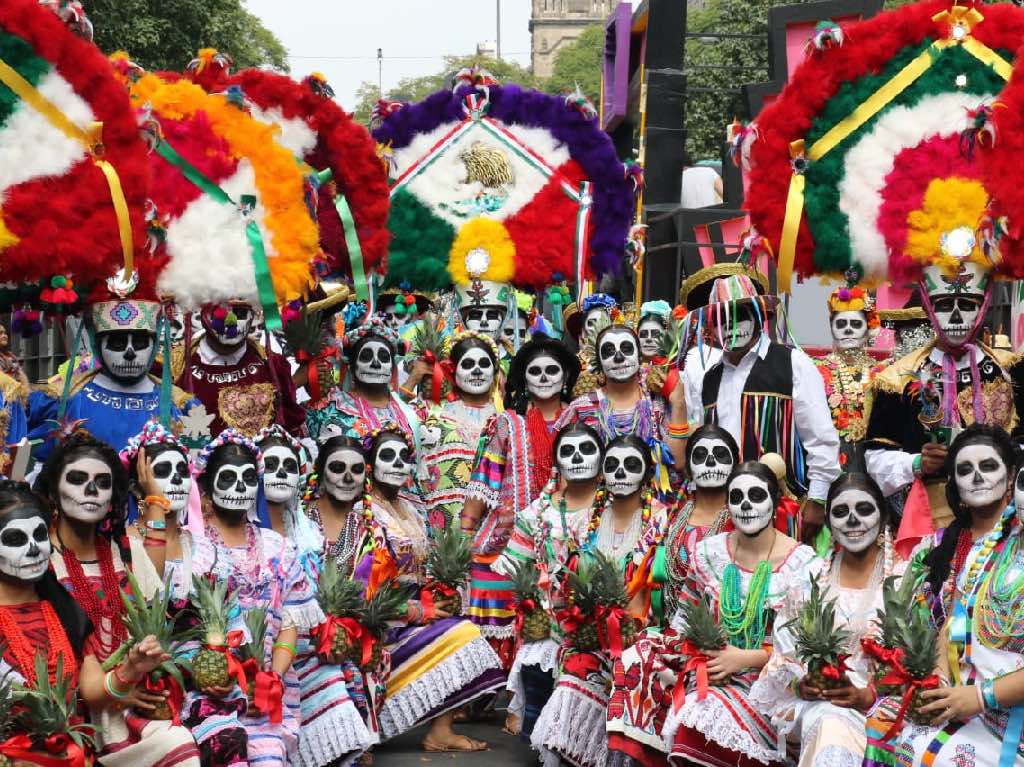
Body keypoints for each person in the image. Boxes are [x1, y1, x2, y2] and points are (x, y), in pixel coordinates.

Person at [0, 479, 200, 767]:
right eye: (16, 539)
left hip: (76, 748)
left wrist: (130, 668)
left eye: (39, 536)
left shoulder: (63, 609)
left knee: (175, 744)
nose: (33, 549)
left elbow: (91, 689)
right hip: (15, 754)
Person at [866, 424, 1024, 767]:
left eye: (988, 466)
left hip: (1007, 714)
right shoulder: (955, 551)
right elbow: (948, 625)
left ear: (1011, 477)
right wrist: (934, 680)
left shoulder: (1009, 546)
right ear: (952, 482)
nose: (978, 477)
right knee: (885, 721)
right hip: (960, 692)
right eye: (965, 469)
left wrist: (978, 697)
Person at [348, 426, 505, 751]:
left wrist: (437, 594)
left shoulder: (410, 509)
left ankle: (440, 731)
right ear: (370, 465)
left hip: (409, 615)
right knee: (463, 635)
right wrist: (418, 610)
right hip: (378, 629)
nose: (395, 464)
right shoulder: (366, 514)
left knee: (462, 625)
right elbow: (363, 596)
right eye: (385, 456)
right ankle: (437, 731)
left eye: (402, 458)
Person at [662, 461, 818, 767]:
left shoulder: (801, 563)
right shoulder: (710, 553)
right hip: (709, 674)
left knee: (700, 717)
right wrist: (687, 654)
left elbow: (802, 650)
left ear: (775, 503)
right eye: (737, 498)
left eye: (756, 496)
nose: (746, 505)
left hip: (770, 687)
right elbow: (684, 618)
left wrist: (743, 658)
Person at [529, 433, 668, 767]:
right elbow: (567, 583)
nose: (620, 472)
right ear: (602, 472)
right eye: (613, 465)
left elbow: (665, 595)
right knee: (574, 666)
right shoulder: (587, 521)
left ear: (648, 473)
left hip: (642, 636)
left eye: (631, 465)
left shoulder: (661, 521)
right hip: (590, 632)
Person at [183, 430, 319, 766]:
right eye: (228, 478)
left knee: (269, 758)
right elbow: (181, 631)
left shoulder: (279, 548)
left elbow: (291, 623)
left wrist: (271, 678)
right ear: (206, 489)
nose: (240, 487)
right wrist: (212, 677)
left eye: (248, 478)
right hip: (208, 689)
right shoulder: (192, 550)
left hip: (267, 688)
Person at [750, 472, 904, 766]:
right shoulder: (809, 579)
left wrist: (868, 695)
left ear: (884, 517)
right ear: (830, 524)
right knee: (831, 720)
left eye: (864, 509)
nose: (853, 520)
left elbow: (916, 664)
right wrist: (801, 685)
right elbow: (784, 653)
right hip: (817, 707)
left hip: (884, 709)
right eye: (841, 512)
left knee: (834, 722)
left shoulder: (904, 580)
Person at [606, 424, 739, 763]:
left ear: (735, 463)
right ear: (690, 466)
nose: (710, 464)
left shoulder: (745, 518)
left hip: (726, 643)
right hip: (669, 631)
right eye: (701, 456)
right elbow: (637, 576)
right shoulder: (666, 517)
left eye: (719, 456)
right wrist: (632, 626)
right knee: (633, 658)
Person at [682, 264, 841, 543]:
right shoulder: (709, 378)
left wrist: (817, 499)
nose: (731, 326)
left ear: (759, 315)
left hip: (781, 508)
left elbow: (821, 439)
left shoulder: (793, 363)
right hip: (724, 510)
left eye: (739, 315)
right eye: (722, 319)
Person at [256, 425, 375, 767]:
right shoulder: (238, 524)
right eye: (270, 465)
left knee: (338, 675)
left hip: (304, 643)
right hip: (254, 645)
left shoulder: (304, 529)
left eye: (288, 466)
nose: (279, 474)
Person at [461, 336, 580, 673]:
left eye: (551, 371)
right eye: (535, 371)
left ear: (565, 378)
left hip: (563, 542)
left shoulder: (579, 423)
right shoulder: (506, 423)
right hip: (503, 543)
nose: (544, 378)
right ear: (524, 381)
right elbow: (483, 484)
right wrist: (462, 538)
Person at [495, 423, 606, 739]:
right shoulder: (535, 514)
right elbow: (517, 572)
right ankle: (541, 737)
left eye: (586, 449)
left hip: (604, 624)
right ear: (557, 462)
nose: (577, 457)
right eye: (568, 451)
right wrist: (532, 610)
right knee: (538, 653)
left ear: (601, 458)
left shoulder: (615, 508)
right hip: (551, 622)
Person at [556, 322, 688, 474]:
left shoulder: (656, 402)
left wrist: (679, 405)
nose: (618, 357)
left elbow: (677, 462)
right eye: (609, 351)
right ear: (599, 361)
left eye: (626, 348)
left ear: (639, 357)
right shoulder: (582, 407)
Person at [176, 300, 306, 440]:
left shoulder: (273, 365)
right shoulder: (175, 367)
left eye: (240, 313)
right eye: (220, 313)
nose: (231, 321)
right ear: (203, 315)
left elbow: (290, 425)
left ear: (252, 316)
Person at [419, 331, 500, 528]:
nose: (477, 371)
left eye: (483, 364)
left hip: (491, 538)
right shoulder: (431, 415)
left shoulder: (508, 420)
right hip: (440, 537)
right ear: (452, 371)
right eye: (468, 365)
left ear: (494, 371)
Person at [813, 284, 883, 470]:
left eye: (856, 324)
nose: (848, 330)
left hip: (871, 461)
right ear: (832, 328)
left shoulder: (881, 373)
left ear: (868, 329)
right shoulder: (815, 369)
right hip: (828, 461)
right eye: (841, 324)